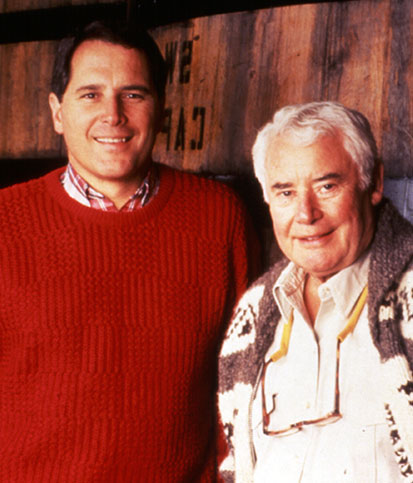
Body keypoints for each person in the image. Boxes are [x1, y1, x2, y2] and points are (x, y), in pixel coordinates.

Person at [0, 20, 259, 481]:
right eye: (90, 95)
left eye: (134, 94)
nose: (113, 114)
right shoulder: (6, 221)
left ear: (160, 110)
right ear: (57, 113)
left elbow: (243, 379)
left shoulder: (219, 217)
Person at [218, 101, 413, 482]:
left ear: (372, 183)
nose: (306, 214)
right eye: (286, 192)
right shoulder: (255, 310)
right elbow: (236, 465)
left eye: (326, 186)